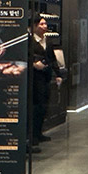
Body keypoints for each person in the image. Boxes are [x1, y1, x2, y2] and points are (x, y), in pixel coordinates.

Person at [30, 17, 62, 150]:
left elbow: (52, 59)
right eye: (42, 24)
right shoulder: (29, 41)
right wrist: (33, 64)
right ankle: (32, 137)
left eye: (45, 24)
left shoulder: (47, 41)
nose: (45, 26)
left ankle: (39, 133)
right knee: (35, 107)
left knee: (43, 106)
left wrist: (58, 74)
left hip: (46, 77)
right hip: (34, 79)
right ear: (34, 26)